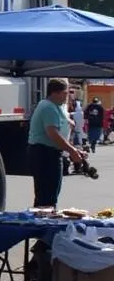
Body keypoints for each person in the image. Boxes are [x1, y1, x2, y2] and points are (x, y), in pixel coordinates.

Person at [28, 79, 84, 207]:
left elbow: (62, 132)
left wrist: (75, 150)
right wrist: (72, 151)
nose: (67, 96)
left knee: (50, 193)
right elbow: (53, 134)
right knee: (47, 194)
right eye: (65, 93)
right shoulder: (48, 107)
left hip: (49, 152)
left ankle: (44, 217)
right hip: (45, 153)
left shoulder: (55, 107)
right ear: (55, 93)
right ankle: (43, 222)